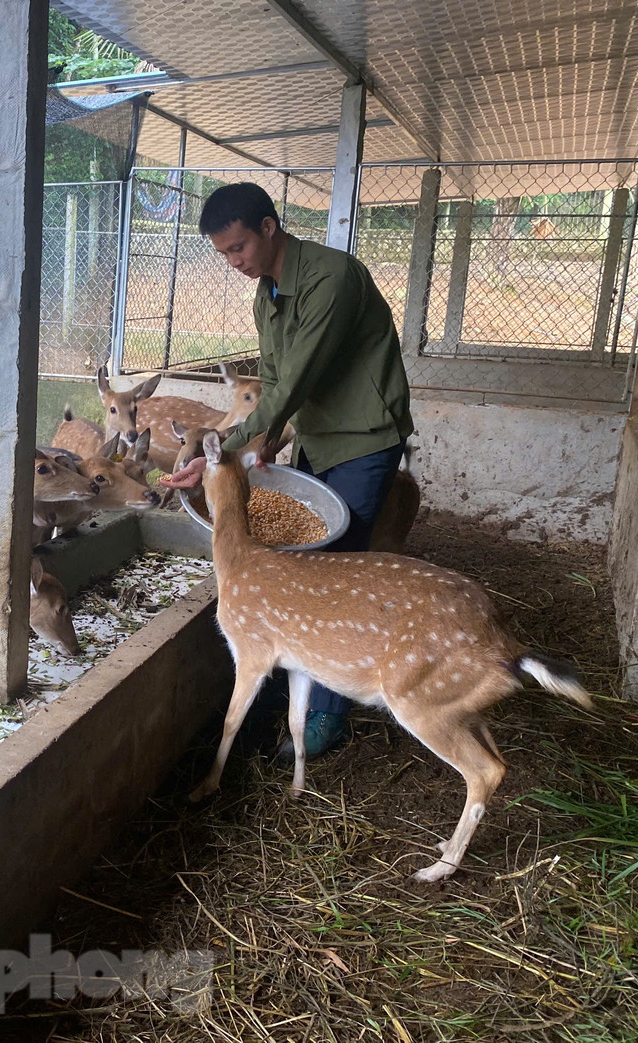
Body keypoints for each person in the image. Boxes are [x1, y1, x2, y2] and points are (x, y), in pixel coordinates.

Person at [161, 182, 413, 758]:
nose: (233, 262)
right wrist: (253, 446)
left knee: (340, 570)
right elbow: (272, 384)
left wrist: (229, 451)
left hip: (364, 438)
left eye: (238, 247)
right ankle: (291, 676)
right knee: (304, 565)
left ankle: (326, 715)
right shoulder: (267, 294)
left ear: (269, 227)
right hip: (318, 437)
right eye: (223, 253)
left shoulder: (331, 278)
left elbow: (293, 382)